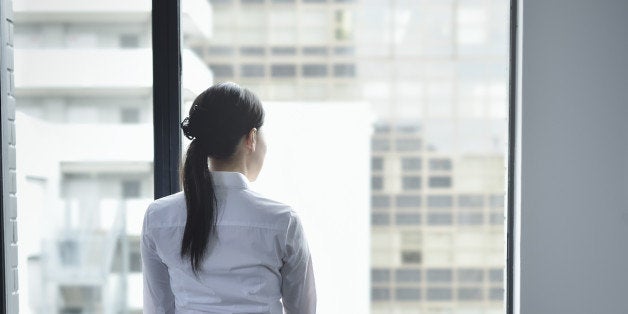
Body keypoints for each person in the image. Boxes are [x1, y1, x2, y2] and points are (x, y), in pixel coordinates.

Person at [141, 82, 316, 314]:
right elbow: (303, 310)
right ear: (251, 138)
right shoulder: (282, 221)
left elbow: (158, 309)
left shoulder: (159, 217)